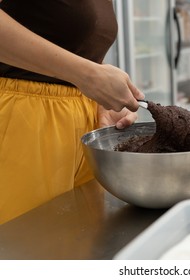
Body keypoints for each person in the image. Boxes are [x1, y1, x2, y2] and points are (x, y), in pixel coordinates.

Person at [0, 0, 145, 224]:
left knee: (75, 244)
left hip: (82, 127)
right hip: (21, 121)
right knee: (24, 246)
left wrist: (100, 97)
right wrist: (86, 75)